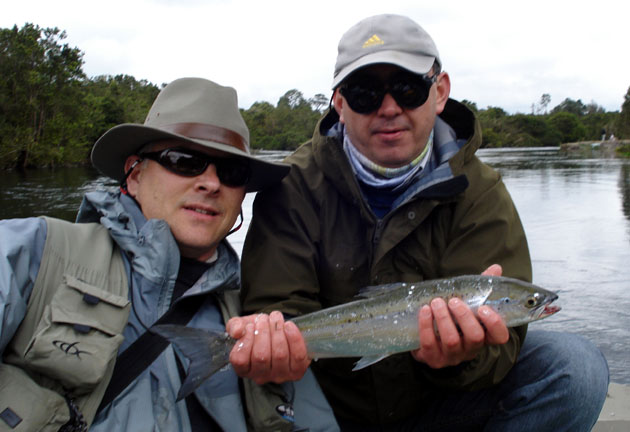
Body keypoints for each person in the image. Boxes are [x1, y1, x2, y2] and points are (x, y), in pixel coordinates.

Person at [231, 14, 609, 431]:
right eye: (364, 94)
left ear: (440, 91)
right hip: (326, 404)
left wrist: (460, 358)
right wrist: (276, 343)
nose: (389, 108)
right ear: (339, 104)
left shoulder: (479, 192)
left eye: (409, 90)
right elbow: (277, 308)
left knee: (576, 368)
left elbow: (501, 354)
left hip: (439, 403)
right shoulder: (292, 185)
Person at [0, 78, 336, 431]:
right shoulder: (33, 251)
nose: (210, 183)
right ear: (134, 174)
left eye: (231, 171)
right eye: (184, 160)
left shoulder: (258, 317)